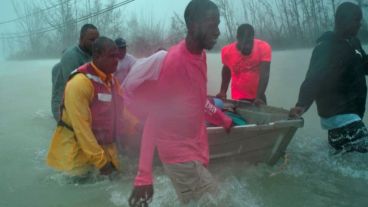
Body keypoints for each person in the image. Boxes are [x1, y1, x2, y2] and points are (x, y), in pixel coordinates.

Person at [128, 0, 233, 206]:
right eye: (212, 24)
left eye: (218, 24)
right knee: (220, 202)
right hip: (178, 152)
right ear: (193, 25)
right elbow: (154, 119)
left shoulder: (200, 55)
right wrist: (143, 176)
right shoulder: (176, 63)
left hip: (194, 145)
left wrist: (222, 119)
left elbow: (198, 99)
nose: (218, 31)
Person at [47, 37, 139, 178]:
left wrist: (138, 126)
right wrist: (102, 163)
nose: (116, 60)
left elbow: (123, 111)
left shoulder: (112, 81)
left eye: (117, 56)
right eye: (111, 56)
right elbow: (81, 129)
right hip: (75, 161)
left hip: (103, 151)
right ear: (97, 56)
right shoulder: (79, 83)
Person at [289, 2, 368, 153]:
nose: (360, 24)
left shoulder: (353, 42)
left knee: (349, 163)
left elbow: (364, 65)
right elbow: (314, 78)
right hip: (341, 116)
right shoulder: (326, 47)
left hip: (350, 117)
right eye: (357, 20)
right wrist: (301, 105)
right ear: (343, 20)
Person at [51, 24, 99, 121]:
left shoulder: (92, 53)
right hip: (63, 105)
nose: (95, 43)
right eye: (91, 40)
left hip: (79, 101)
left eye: (97, 40)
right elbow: (74, 89)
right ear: (81, 39)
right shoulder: (71, 57)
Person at [216, 24, 272, 105]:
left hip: (258, 97)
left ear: (253, 38)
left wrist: (258, 97)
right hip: (238, 98)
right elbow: (227, 70)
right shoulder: (227, 51)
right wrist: (222, 91)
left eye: (250, 42)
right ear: (238, 39)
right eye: (245, 43)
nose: (248, 46)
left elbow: (265, 74)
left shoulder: (263, 47)